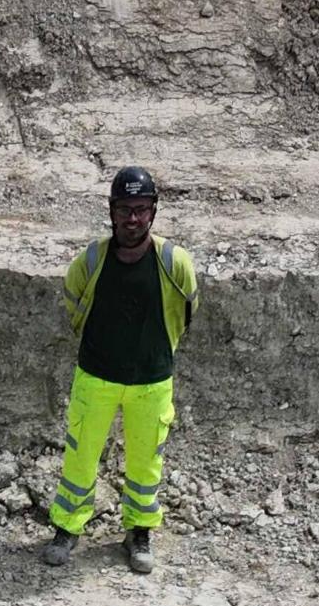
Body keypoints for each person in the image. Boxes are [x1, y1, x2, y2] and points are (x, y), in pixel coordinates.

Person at [42, 168, 201, 576]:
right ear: (111, 212)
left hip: (152, 382)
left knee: (146, 464)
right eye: (125, 210)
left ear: (153, 213)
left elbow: (186, 310)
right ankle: (67, 527)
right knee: (80, 457)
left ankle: (139, 530)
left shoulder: (172, 262)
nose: (133, 219)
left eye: (142, 210)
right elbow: (73, 298)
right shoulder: (92, 260)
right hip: (96, 377)